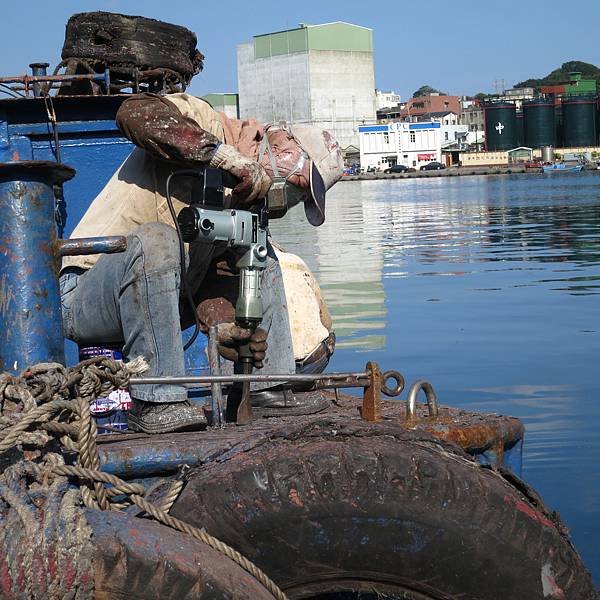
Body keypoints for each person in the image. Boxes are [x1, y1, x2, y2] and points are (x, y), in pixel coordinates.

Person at [60, 92, 343, 434]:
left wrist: (227, 329)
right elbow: (135, 112)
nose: (292, 200)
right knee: (158, 240)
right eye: (299, 186)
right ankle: (156, 401)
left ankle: (269, 388)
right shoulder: (204, 120)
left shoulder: (244, 202)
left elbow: (217, 277)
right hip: (86, 294)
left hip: (166, 298)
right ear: (281, 143)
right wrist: (221, 157)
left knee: (258, 253)